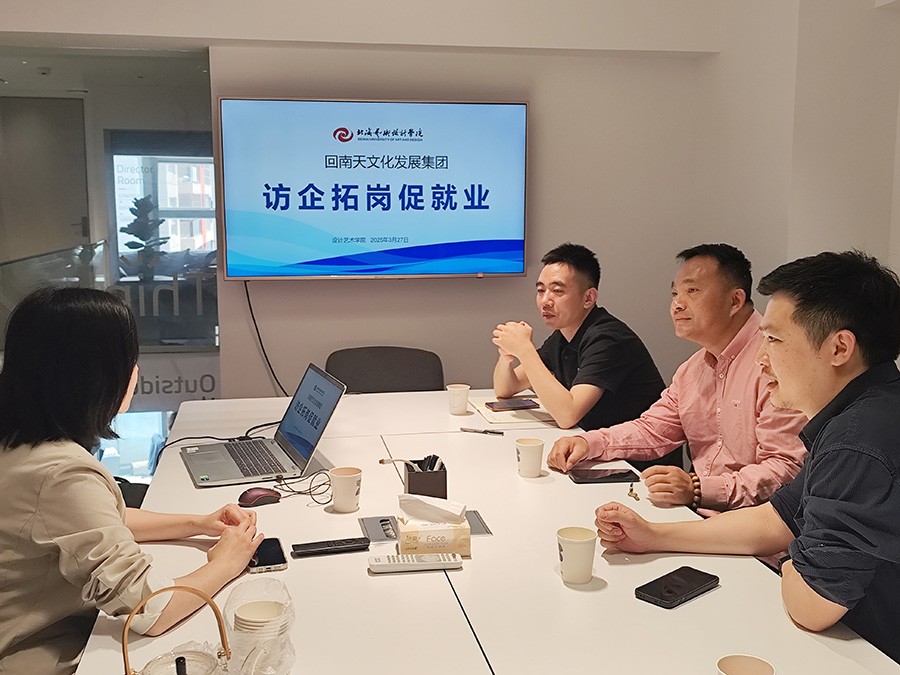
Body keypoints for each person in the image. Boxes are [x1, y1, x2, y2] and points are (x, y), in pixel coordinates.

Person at [593, 251, 900, 663]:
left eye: (773, 340)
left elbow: (812, 605)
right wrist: (653, 535)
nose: (760, 357)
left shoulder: (857, 438)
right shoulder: (862, 413)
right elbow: (775, 520)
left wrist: (790, 562)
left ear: (839, 347)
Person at [0, 287, 263, 674]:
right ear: (99, 376)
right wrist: (226, 562)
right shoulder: (60, 475)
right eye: (128, 360)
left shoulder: (20, 443)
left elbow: (99, 521)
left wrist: (198, 523)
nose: (136, 371)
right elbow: (151, 610)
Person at [548, 244, 807, 512]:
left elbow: (785, 469)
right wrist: (589, 442)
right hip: (700, 513)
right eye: (675, 293)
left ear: (735, 301)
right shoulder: (692, 369)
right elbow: (653, 429)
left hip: (755, 524)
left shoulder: (775, 362)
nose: (677, 304)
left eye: (692, 291)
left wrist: (698, 489)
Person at [492, 243, 667, 442]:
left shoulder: (608, 339)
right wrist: (507, 356)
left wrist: (525, 350)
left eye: (557, 291)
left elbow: (567, 415)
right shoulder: (562, 336)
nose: (545, 301)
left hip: (639, 455)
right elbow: (506, 389)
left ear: (588, 298)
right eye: (541, 290)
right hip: (595, 443)